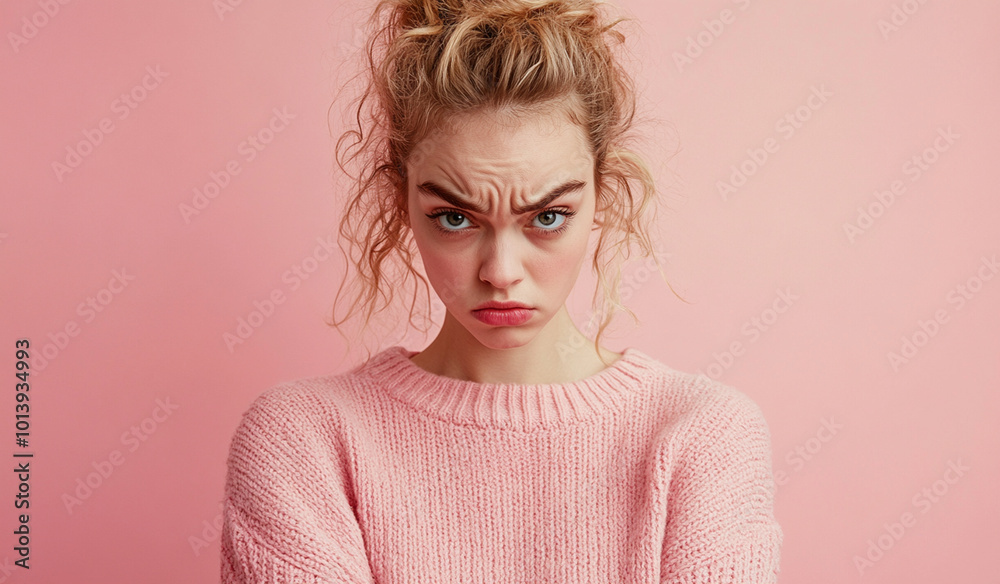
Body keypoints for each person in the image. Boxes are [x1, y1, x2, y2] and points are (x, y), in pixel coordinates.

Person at [220, 0, 783, 582]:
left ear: (603, 196)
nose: (501, 272)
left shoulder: (702, 435)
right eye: (455, 218)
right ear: (401, 200)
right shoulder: (303, 441)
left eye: (547, 217)